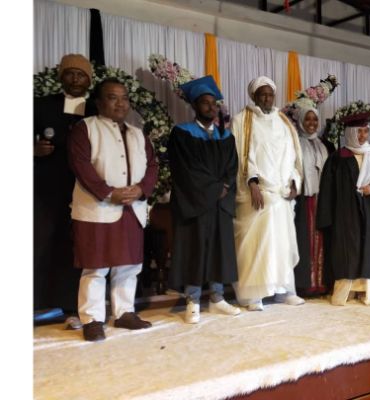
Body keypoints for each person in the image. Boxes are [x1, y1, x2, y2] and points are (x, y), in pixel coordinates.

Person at [68, 78, 158, 341]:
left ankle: (124, 313)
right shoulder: (85, 129)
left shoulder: (138, 134)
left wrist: (141, 189)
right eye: (113, 97)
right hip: (97, 208)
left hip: (132, 208)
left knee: (129, 265)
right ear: (98, 102)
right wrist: (109, 192)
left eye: (124, 98)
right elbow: (80, 165)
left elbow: (152, 166)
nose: (120, 103)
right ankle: (92, 319)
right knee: (95, 266)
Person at [168, 76, 240, 324]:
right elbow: (185, 169)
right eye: (205, 103)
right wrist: (214, 189)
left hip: (220, 203)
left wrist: (224, 187)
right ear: (194, 106)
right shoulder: (182, 134)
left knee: (220, 249)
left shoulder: (226, 137)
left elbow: (232, 167)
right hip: (195, 203)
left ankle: (218, 298)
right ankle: (193, 300)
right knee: (194, 249)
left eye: (213, 103)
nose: (211, 107)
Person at [230, 76, 305, 311]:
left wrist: (294, 181)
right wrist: (252, 183)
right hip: (256, 192)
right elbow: (240, 156)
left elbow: (292, 155)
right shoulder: (242, 121)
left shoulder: (283, 122)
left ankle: (283, 291)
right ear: (253, 96)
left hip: (281, 194)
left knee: (282, 244)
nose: (267, 98)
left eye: (270, 94)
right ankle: (254, 295)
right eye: (262, 94)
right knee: (257, 245)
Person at [34, 54, 97, 329]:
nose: (75, 79)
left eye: (81, 74)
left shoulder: (97, 108)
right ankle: (36, 305)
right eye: (70, 73)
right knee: (42, 242)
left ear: (89, 80)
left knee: (78, 246)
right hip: (47, 189)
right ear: (61, 76)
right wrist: (33, 150)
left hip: (85, 189)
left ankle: (74, 306)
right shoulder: (41, 105)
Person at [317, 113, 370, 305]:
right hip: (346, 213)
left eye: (365, 131)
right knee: (348, 251)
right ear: (350, 133)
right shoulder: (338, 158)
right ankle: (347, 291)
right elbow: (327, 190)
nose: (362, 136)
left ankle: (366, 291)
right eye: (358, 132)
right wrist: (327, 218)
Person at [293, 106, 331, 296]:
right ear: (300, 121)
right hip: (302, 199)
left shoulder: (322, 145)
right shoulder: (295, 143)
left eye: (314, 119)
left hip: (320, 199)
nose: (312, 123)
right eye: (307, 119)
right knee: (304, 239)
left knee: (321, 239)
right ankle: (305, 284)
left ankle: (320, 283)